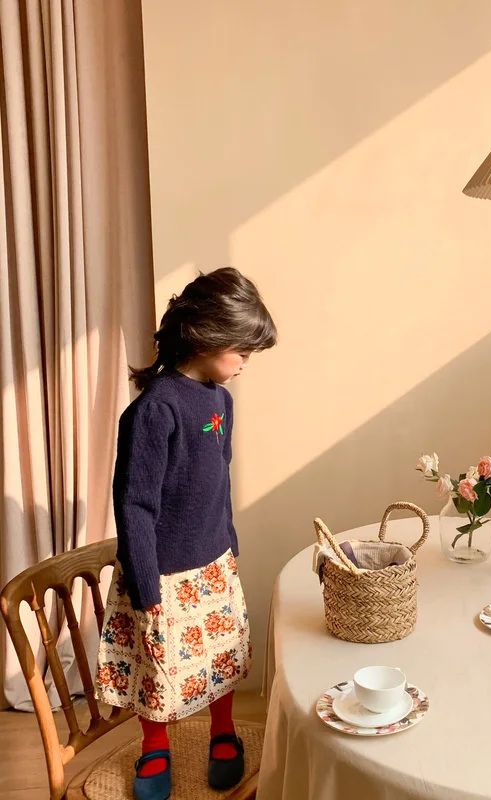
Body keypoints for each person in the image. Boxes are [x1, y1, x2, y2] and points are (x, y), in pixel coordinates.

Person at [95, 267, 277, 800]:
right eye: (242, 351)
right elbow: (135, 504)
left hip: (214, 562)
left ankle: (223, 731)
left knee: (221, 656)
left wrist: (230, 543)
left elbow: (219, 479)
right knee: (160, 663)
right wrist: (146, 587)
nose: (246, 363)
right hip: (164, 574)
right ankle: (155, 746)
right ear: (206, 337)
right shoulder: (154, 410)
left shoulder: (221, 402)